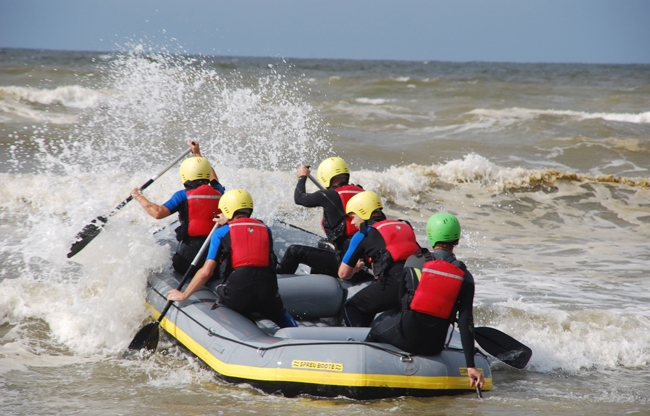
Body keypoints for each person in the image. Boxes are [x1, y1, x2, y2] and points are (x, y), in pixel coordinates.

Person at [365, 213, 485, 389]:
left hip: (406, 335)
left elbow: (401, 300)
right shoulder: (465, 276)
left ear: (430, 236)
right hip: (434, 346)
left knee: (380, 322)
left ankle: (374, 367)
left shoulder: (414, 261)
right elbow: (466, 321)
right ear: (457, 240)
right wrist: (470, 366)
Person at [167, 189, 297, 328]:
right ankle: (297, 334)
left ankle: (246, 329)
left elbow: (206, 272)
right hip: (268, 289)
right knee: (280, 314)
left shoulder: (220, 232)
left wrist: (184, 294)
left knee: (227, 307)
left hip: (238, 289)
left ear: (227, 210)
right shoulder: (266, 229)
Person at [131, 141, 225, 274]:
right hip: (214, 261)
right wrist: (197, 153)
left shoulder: (183, 196)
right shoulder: (219, 192)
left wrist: (138, 196)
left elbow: (157, 213)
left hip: (188, 261)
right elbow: (212, 176)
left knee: (175, 261)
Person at [338, 191, 421, 327]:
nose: (352, 222)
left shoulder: (363, 234)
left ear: (363, 212)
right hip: (416, 284)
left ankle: (359, 342)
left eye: (353, 216)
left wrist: (356, 268)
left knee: (351, 306)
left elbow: (343, 274)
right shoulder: (404, 225)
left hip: (394, 286)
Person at [278, 157, 368, 279]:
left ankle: (278, 287)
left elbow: (299, 198)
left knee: (294, 251)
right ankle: (317, 282)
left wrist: (302, 177)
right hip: (366, 259)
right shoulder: (363, 193)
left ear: (325, 177)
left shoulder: (328, 195)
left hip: (349, 266)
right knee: (322, 244)